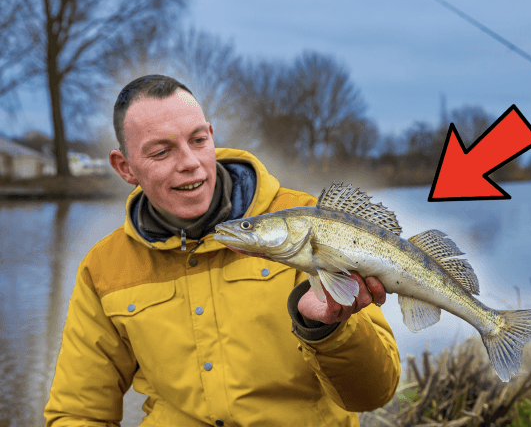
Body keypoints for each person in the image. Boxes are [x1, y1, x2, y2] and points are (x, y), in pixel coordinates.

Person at [44, 75, 401, 426]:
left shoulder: (312, 226)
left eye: (197, 140)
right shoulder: (104, 268)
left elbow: (374, 394)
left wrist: (327, 330)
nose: (190, 162)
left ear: (211, 137)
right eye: (162, 151)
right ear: (126, 167)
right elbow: (77, 412)